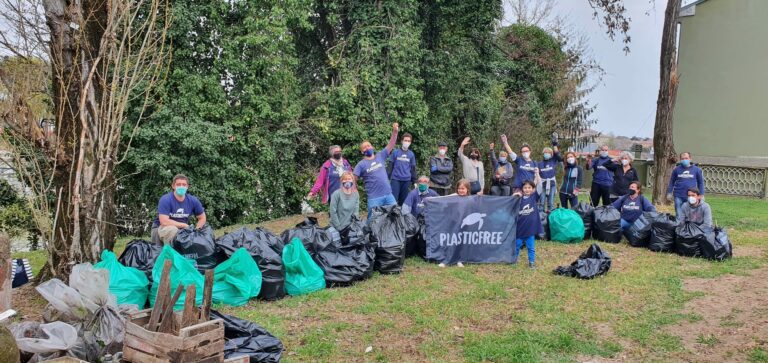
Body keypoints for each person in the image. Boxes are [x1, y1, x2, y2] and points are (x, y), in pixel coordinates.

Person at [354, 122, 399, 218]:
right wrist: (353, 191)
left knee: (395, 216)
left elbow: (391, 145)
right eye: (365, 147)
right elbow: (354, 179)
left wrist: (395, 132)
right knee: (373, 221)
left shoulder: (380, 156)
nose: (367, 148)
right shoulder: (361, 164)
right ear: (362, 152)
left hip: (388, 194)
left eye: (369, 146)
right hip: (374, 197)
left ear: (372, 147)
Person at [151, 174, 207, 245]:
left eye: (184, 185)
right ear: (173, 186)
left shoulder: (193, 200)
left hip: (181, 229)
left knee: (204, 230)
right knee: (173, 230)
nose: (181, 187)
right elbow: (164, 221)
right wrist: (184, 225)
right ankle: (170, 254)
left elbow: (202, 217)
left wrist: (197, 230)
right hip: (161, 228)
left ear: (187, 187)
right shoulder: (165, 199)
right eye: (178, 184)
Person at [440, 179, 471, 268]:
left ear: (467, 189)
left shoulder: (470, 199)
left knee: (461, 243)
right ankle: (446, 260)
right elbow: (442, 202)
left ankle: (459, 260)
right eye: (459, 188)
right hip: (453, 224)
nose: (461, 190)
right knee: (450, 242)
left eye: (463, 189)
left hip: (464, 226)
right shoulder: (453, 198)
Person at [513, 179, 541, 269]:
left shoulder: (534, 197)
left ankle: (531, 263)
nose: (527, 189)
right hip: (520, 229)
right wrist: (514, 195)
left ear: (533, 189)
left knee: (531, 248)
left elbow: (540, 186)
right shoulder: (519, 199)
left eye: (529, 188)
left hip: (530, 229)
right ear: (522, 189)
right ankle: (514, 260)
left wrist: (537, 175)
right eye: (525, 188)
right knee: (517, 246)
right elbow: (509, 203)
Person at [667, 152, 705, 217]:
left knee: (690, 215)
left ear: (690, 159)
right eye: (682, 158)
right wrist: (669, 192)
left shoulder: (697, 170)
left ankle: (689, 226)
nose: (684, 160)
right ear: (680, 160)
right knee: (679, 214)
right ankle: (679, 225)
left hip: (691, 196)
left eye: (686, 158)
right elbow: (672, 181)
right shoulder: (676, 169)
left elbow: (700, 183)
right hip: (678, 195)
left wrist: (701, 194)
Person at [389, 133, 417, 205]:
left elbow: (413, 169)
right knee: (393, 200)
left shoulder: (411, 154)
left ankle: (401, 215)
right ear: (402, 141)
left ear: (410, 142)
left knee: (403, 201)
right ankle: (392, 216)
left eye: (408, 141)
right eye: (405, 140)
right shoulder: (395, 152)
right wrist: (386, 178)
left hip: (406, 180)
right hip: (395, 180)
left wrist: (414, 181)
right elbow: (390, 166)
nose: (407, 142)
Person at [536, 140, 562, 212]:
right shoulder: (539, 163)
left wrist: (555, 145)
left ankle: (550, 217)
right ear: (543, 154)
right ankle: (541, 217)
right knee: (541, 202)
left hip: (552, 184)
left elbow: (558, 155)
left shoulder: (553, 161)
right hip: (542, 184)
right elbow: (537, 175)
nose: (546, 154)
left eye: (548, 153)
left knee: (550, 202)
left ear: (551, 154)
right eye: (545, 152)